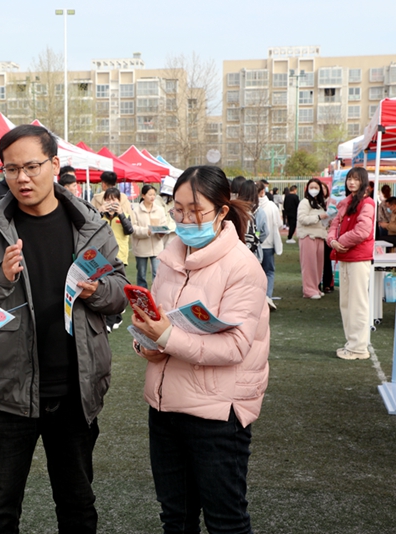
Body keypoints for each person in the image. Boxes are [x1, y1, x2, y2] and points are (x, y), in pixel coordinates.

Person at [0, 124, 128, 534]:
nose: (22, 178)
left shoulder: (90, 226)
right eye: (11, 169)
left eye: (32, 166)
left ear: (54, 164)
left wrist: (98, 291)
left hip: (76, 391)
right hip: (8, 391)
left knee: (78, 504)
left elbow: (121, 290)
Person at [128, 165, 269, 534]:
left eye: (196, 211)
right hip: (165, 407)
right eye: (178, 209)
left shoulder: (242, 267)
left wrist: (165, 338)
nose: (186, 219)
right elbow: (156, 321)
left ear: (222, 212)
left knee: (226, 522)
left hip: (217, 414)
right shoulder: (169, 259)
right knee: (176, 517)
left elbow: (235, 346)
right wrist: (146, 343)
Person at [327, 167, 375, 360]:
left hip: (358, 258)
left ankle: (359, 347)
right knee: (346, 303)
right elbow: (334, 225)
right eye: (349, 179)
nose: (351, 182)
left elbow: (363, 230)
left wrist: (340, 241)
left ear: (363, 182)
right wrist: (332, 241)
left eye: (356, 179)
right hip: (345, 256)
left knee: (357, 304)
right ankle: (352, 344)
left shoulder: (367, 203)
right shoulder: (345, 202)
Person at [100, 186, 133, 331]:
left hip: (119, 257)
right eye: (108, 200)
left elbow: (129, 230)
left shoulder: (124, 215)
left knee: (117, 289)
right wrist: (99, 211)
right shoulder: (100, 216)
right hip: (102, 256)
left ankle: (112, 319)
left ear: (119, 201)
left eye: (114, 200)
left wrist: (121, 214)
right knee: (105, 288)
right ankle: (113, 318)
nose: (111, 203)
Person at [297, 179, 329, 299]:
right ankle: (309, 290)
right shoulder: (305, 202)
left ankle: (315, 287)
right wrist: (319, 217)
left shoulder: (320, 204)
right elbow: (302, 219)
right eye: (312, 187)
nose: (314, 190)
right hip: (308, 236)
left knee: (318, 265)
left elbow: (323, 220)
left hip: (320, 236)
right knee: (309, 264)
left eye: (316, 187)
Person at [131, 184, 167, 289]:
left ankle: (156, 293)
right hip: (141, 247)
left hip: (156, 246)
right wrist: (147, 231)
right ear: (143, 195)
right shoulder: (136, 211)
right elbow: (133, 228)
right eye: (150, 194)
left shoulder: (160, 210)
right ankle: (142, 294)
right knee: (141, 274)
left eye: (154, 194)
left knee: (157, 272)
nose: (152, 197)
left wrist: (162, 232)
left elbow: (164, 224)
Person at [257, 181, 283, 310]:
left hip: (255, 245)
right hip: (269, 244)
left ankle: (257, 298)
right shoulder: (272, 206)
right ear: (263, 191)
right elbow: (279, 224)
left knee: (256, 272)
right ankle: (267, 296)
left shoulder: (252, 206)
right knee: (269, 272)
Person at [238, 179, 267, 263]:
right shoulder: (259, 211)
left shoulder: (236, 209)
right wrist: (256, 236)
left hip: (237, 250)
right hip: (254, 252)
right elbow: (265, 232)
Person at [320, 181, 336, 294]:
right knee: (316, 261)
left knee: (327, 260)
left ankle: (327, 284)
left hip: (327, 234)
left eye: (324, 188)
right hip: (316, 234)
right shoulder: (313, 203)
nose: (322, 191)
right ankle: (315, 283)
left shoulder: (331, 202)